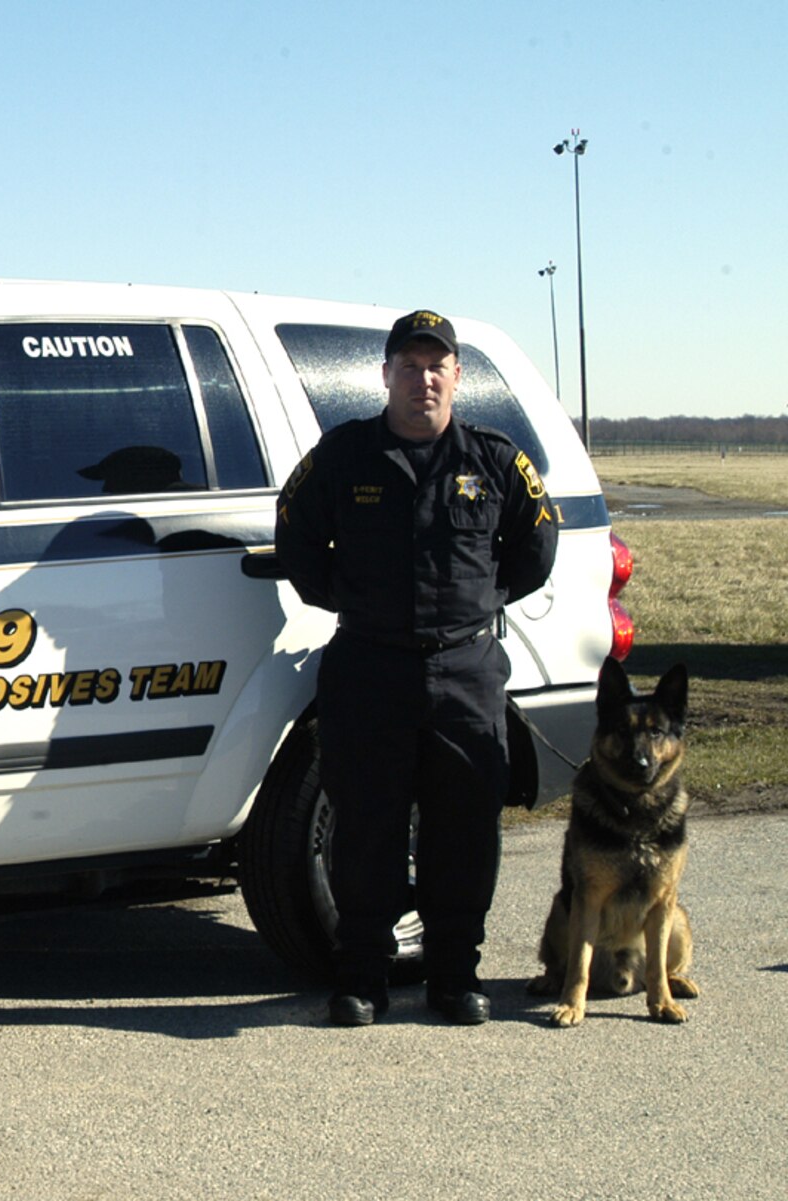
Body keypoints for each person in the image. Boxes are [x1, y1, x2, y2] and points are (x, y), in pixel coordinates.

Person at [274, 309, 559, 1028]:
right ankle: (362, 976)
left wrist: (481, 601)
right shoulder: (343, 457)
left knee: (463, 828)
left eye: (437, 366)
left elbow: (537, 546)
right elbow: (297, 537)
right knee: (366, 825)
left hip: (464, 671)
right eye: (409, 365)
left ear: (457, 377)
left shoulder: (494, 461)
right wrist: (349, 600)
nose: (423, 379)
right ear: (386, 375)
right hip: (369, 666)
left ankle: (455, 975)